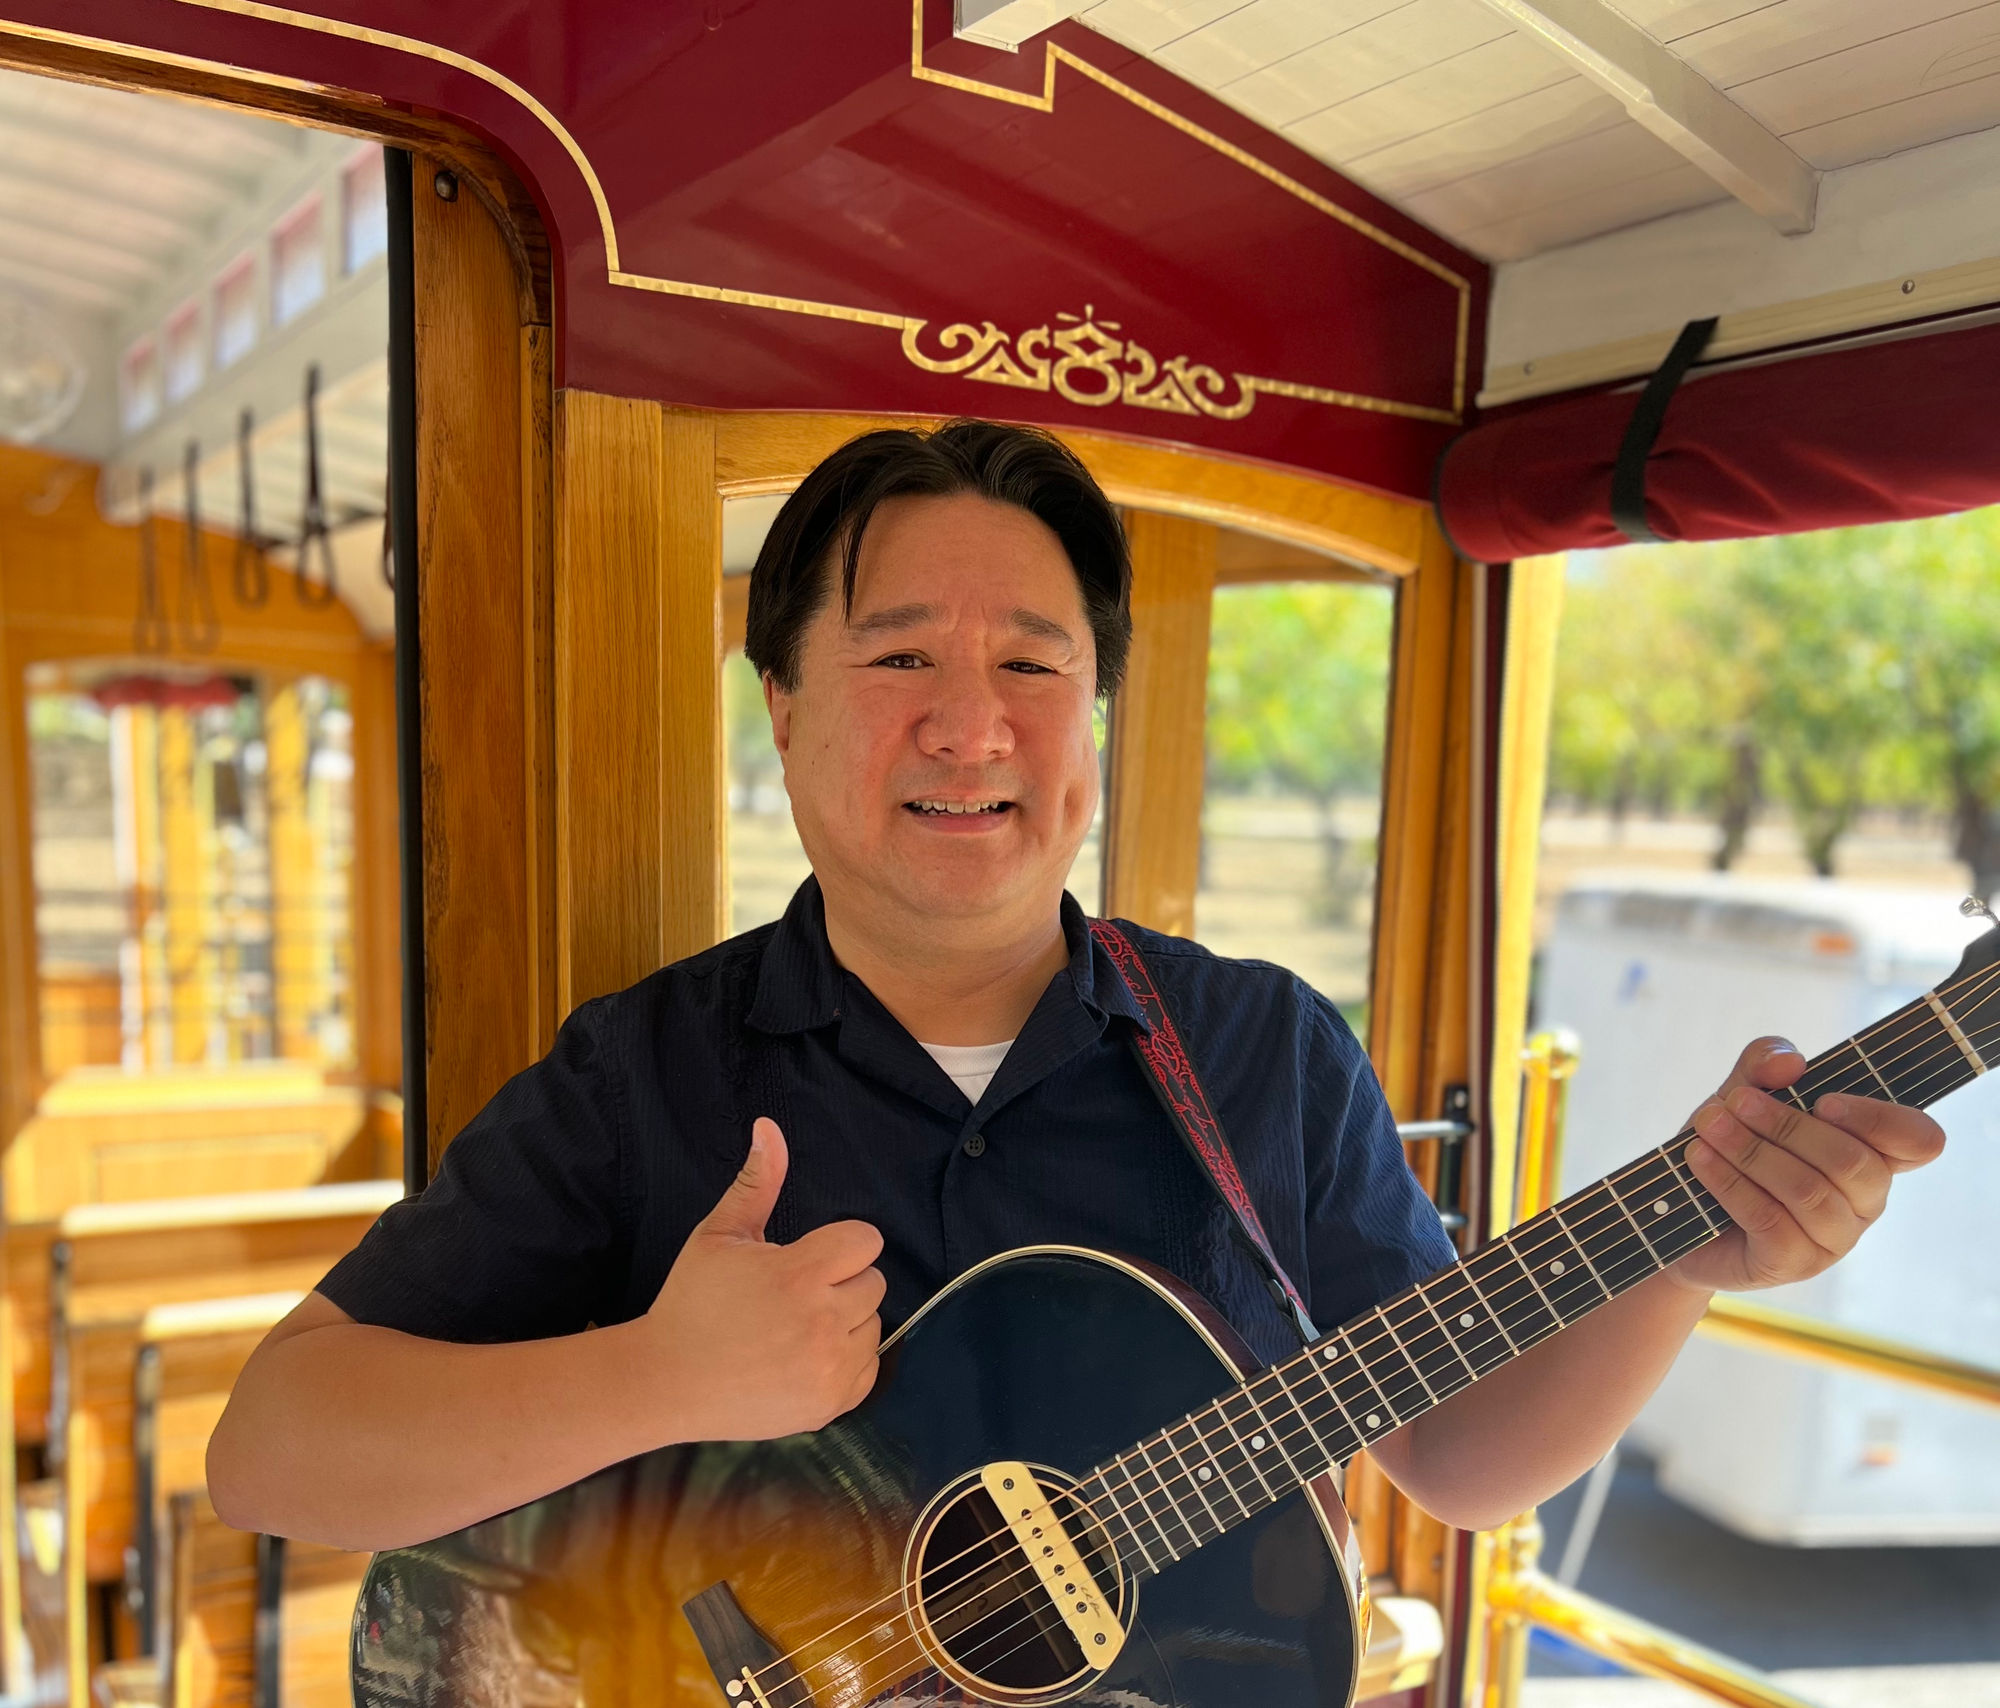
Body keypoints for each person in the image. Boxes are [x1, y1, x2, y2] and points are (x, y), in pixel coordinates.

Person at [208, 420, 1946, 1552]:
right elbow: (272, 1452)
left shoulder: (1262, 1048)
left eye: (1035, 669)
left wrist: (1690, 1253)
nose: (973, 728)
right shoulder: (641, 1076)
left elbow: (1459, 1463)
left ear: (1092, 725)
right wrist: (657, 1378)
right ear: (786, 711)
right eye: (899, 656)